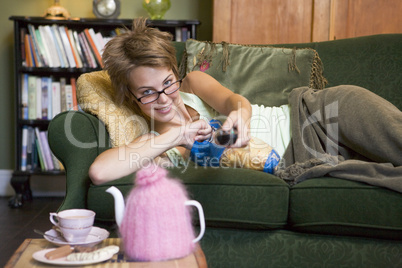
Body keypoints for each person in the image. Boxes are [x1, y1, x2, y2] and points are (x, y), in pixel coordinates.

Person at [89, 18, 402, 191]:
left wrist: (240, 115)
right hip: (301, 160)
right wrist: (176, 135)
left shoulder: (193, 83)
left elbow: (233, 100)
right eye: (147, 92)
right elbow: (100, 172)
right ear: (131, 95)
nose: (163, 98)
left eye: (167, 83)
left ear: (175, 72)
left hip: (310, 113)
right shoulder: (154, 141)